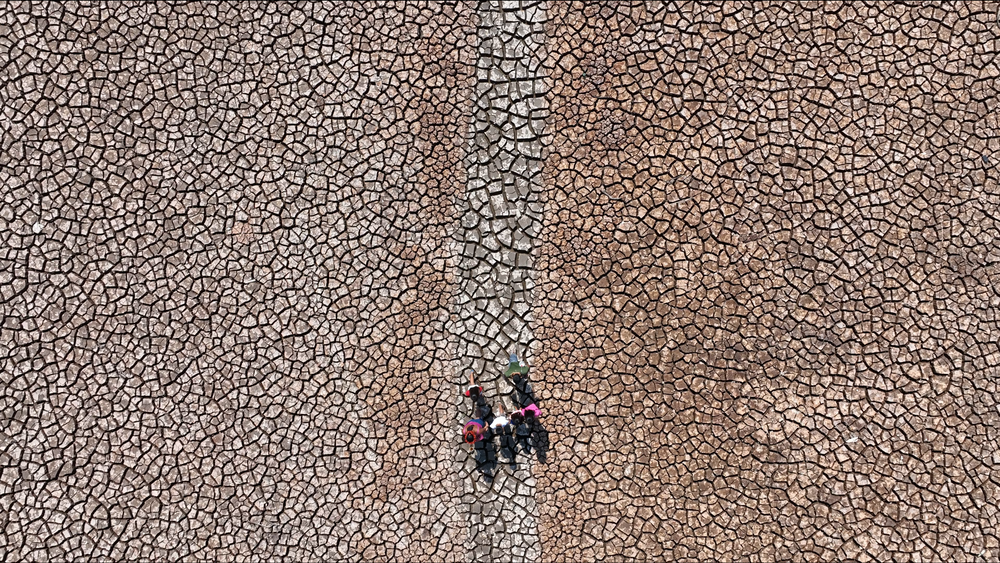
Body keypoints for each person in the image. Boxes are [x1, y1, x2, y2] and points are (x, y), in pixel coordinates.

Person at [491, 402, 517, 469]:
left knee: (502, 415)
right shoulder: (511, 453)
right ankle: (500, 405)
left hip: (504, 435)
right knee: (502, 416)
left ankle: (500, 405)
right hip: (506, 434)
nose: (512, 461)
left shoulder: (507, 455)